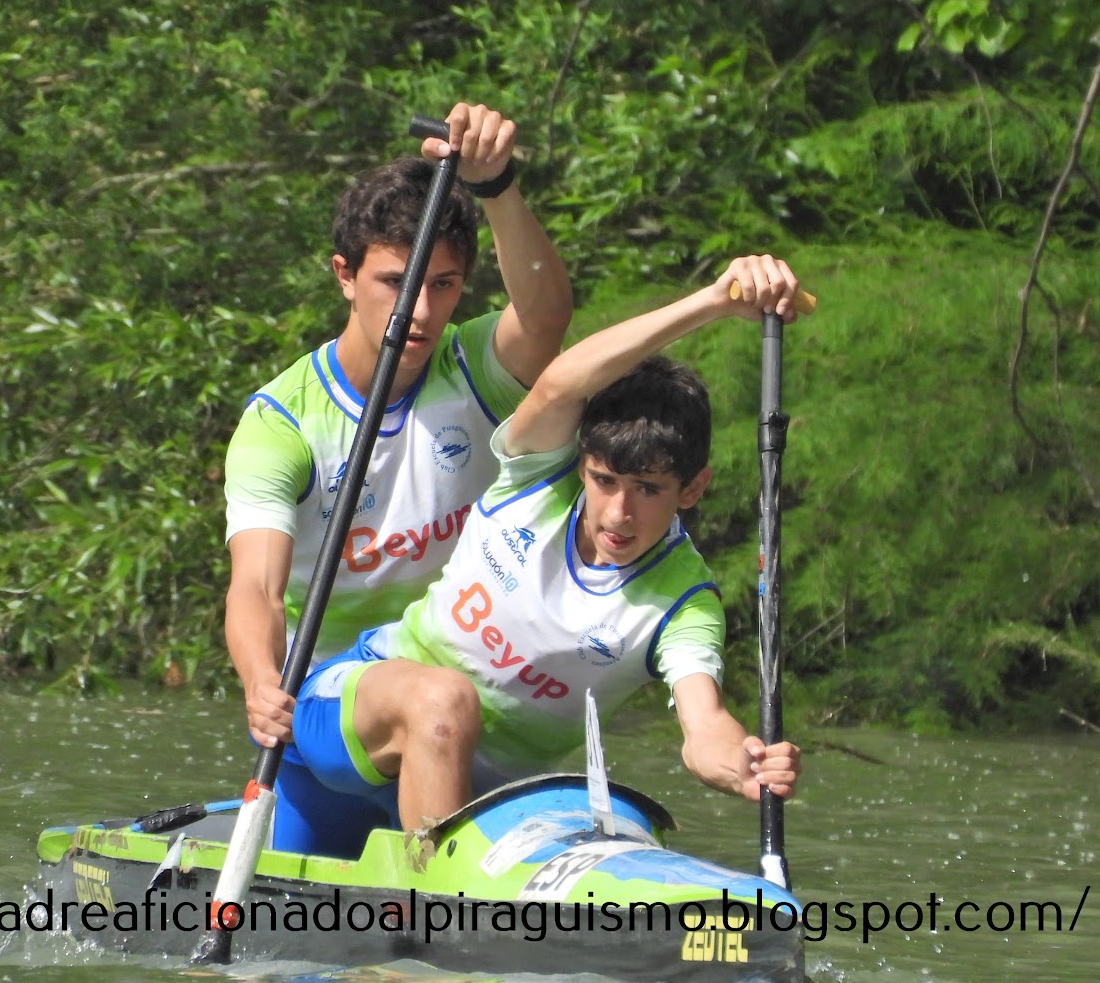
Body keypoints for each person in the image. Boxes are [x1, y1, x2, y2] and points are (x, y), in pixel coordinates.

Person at [270, 254, 805, 857]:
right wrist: (714, 301)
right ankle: (434, 906)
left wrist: (744, 765)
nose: (618, 513)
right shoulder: (536, 474)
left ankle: (426, 888)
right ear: (582, 465)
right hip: (343, 731)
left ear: (693, 489)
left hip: (481, 798)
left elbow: (704, 729)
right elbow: (560, 383)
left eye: (648, 489)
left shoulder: (684, 602)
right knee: (445, 700)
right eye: (604, 480)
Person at [224, 102, 573, 762]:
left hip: (462, 682)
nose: (419, 309)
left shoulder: (472, 368)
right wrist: (261, 681)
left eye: (443, 284)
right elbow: (257, 588)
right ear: (345, 276)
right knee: (438, 699)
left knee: (450, 695)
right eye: (395, 282)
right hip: (326, 695)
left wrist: (496, 185)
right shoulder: (280, 424)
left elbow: (546, 316)